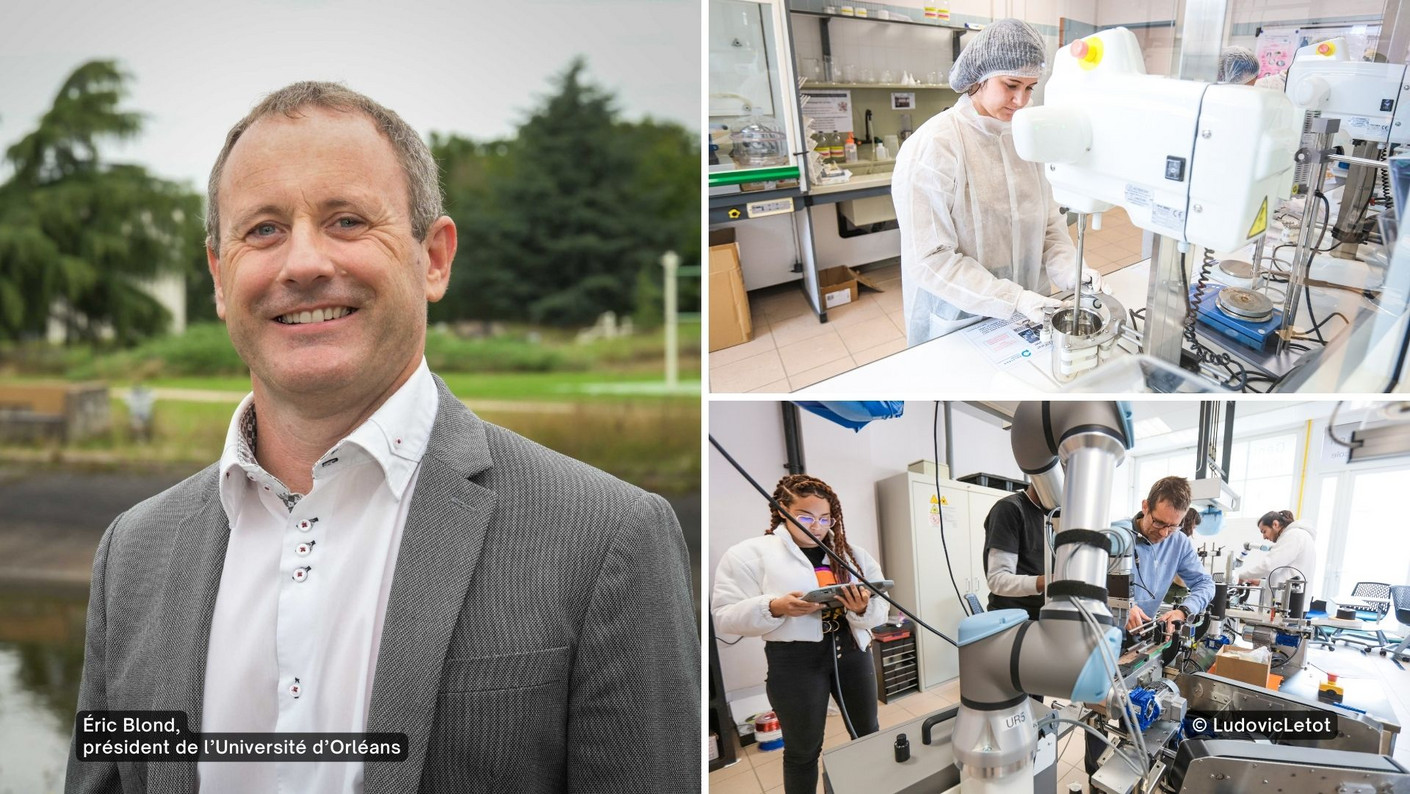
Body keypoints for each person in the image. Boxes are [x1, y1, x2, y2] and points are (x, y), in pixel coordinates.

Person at [66, 82, 698, 794]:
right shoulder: (133, 555)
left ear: (434, 258)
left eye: (346, 221)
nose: (303, 263)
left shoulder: (607, 538)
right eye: (265, 229)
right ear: (218, 275)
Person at [892, 18, 1103, 345]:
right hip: (957, 319)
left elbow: (1048, 227)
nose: (1021, 100)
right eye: (1011, 85)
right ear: (979, 78)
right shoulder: (935, 146)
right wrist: (1014, 299)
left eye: (1030, 87)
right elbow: (930, 258)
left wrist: (1071, 272)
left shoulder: (1027, 139)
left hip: (1030, 316)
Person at [712, 474, 888, 794]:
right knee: (803, 751)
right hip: (795, 661)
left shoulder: (851, 553)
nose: (816, 526)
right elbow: (724, 617)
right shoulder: (749, 554)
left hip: (851, 651)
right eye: (806, 517)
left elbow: (881, 607)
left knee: (868, 735)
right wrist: (774, 607)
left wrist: (861, 609)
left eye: (824, 518)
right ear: (783, 510)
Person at [1087, 476, 1213, 777]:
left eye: (1174, 525)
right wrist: (1119, 603)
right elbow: (1084, 583)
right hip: (1103, 638)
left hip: (1143, 643)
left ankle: (1133, 767)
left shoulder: (1178, 542)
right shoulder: (1115, 535)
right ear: (1145, 506)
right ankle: (1095, 773)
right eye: (1159, 523)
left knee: (1139, 709)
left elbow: (1205, 584)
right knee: (1100, 712)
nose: (1165, 532)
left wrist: (1183, 610)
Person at [982, 484, 1051, 621]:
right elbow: (998, 580)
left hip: (1044, 616)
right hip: (1010, 619)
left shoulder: (1056, 516)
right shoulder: (1009, 509)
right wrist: (1050, 580)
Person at [1237, 509, 1317, 590]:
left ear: (1275, 524)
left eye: (1264, 531)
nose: (1264, 537)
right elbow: (1284, 575)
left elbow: (1269, 566)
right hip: (1290, 598)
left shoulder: (1293, 535)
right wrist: (1260, 582)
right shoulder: (1299, 535)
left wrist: (1243, 576)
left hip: (1288, 600)